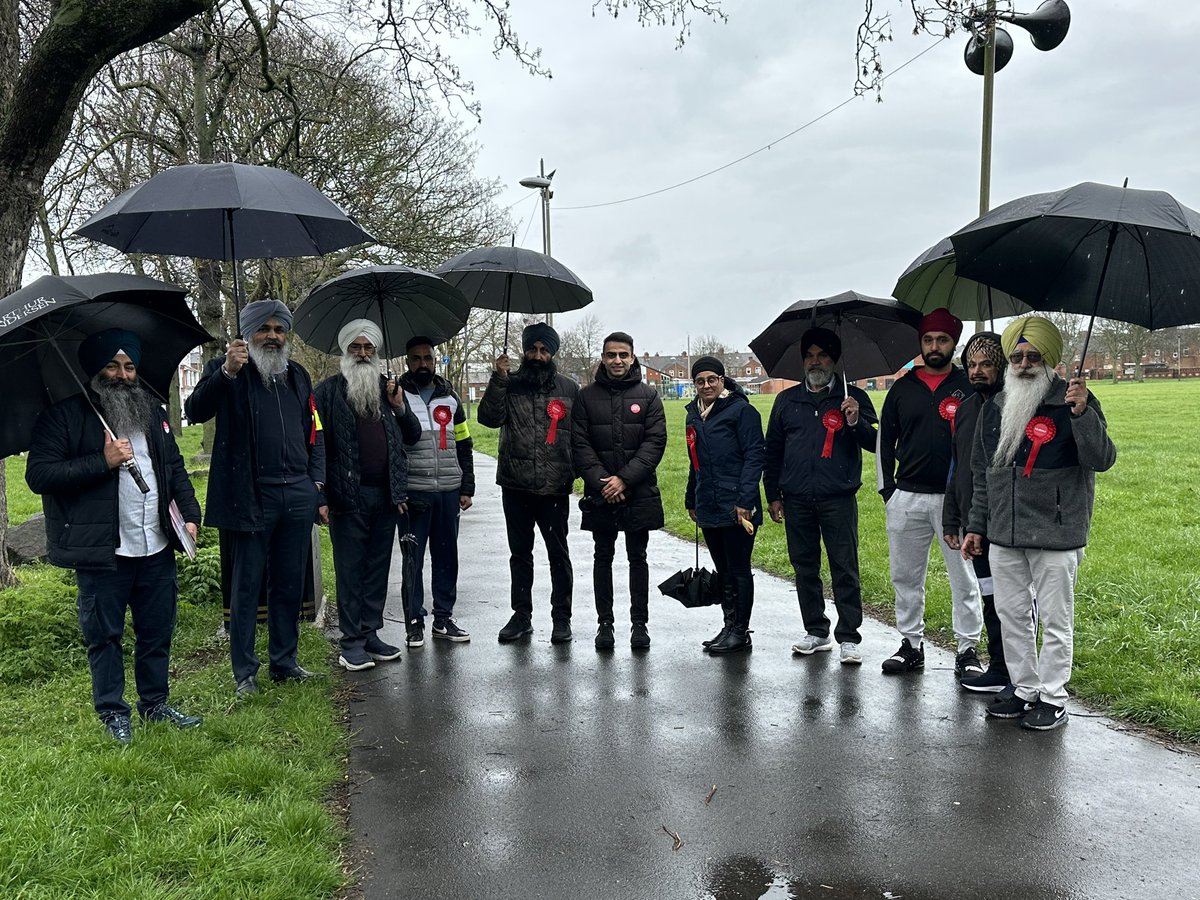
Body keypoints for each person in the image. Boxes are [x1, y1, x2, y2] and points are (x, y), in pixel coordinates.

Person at [26, 328, 203, 744]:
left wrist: (190, 516)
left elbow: (174, 469)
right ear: (95, 370)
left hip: (156, 544)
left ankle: (155, 704)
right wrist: (101, 460)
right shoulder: (64, 416)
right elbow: (39, 475)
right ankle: (112, 712)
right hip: (104, 551)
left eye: (129, 366)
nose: (122, 375)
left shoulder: (152, 412)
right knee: (104, 636)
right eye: (112, 365)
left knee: (157, 631)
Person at [963, 316, 1116, 730]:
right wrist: (977, 525)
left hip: (1056, 533)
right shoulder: (996, 406)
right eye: (1017, 356)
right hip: (1004, 533)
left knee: (1054, 618)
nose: (1024, 363)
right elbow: (983, 473)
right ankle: (1024, 687)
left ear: (1049, 359)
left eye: (1033, 356)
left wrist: (1082, 413)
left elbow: (1102, 458)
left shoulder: (1075, 399)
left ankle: (1052, 696)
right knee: (1012, 615)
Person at [185, 299, 326, 697]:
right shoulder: (228, 370)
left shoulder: (298, 375)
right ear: (247, 333)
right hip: (250, 496)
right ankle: (245, 672)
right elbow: (195, 410)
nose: (272, 336)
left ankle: (285, 662)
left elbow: (315, 433)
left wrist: (315, 484)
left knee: (288, 584)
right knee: (246, 587)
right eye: (263, 329)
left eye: (279, 329)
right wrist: (227, 371)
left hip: (296, 493)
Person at [876, 307, 983, 676]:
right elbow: (883, 440)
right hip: (907, 497)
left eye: (942, 340)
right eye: (928, 340)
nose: (934, 346)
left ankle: (968, 649)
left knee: (964, 577)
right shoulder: (902, 388)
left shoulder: (969, 385)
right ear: (920, 344)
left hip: (958, 502)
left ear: (954, 343)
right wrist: (887, 490)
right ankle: (910, 644)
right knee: (905, 576)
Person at [763, 328, 877, 665]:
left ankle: (849, 636)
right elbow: (773, 450)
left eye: (823, 355)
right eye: (810, 355)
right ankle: (816, 630)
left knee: (845, 566)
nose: (816, 361)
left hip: (837, 498)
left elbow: (874, 444)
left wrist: (855, 420)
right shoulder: (787, 400)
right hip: (796, 498)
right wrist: (773, 494)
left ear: (834, 360)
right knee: (805, 567)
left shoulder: (852, 397)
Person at [314, 320, 410, 672]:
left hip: (385, 495)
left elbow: (411, 434)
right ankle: (351, 641)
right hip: (346, 496)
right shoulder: (326, 393)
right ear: (345, 351)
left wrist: (399, 406)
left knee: (377, 568)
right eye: (356, 347)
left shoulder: (389, 390)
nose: (363, 353)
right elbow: (316, 446)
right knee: (351, 569)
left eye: (369, 348)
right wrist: (320, 495)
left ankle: (371, 633)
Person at [478, 322, 579, 644]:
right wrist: (498, 379)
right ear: (524, 351)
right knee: (520, 554)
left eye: (544, 350)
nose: (537, 355)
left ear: (553, 353)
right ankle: (521, 616)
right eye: (532, 349)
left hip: (554, 486)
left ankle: (561, 618)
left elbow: (580, 436)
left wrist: (576, 473)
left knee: (558, 554)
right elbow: (488, 419)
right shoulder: (510, 384)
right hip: (516, 484)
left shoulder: (568, 388)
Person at [571, 331, 667, 651]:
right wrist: (604, 481)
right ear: (602, 357)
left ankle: (639, 624)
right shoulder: (585, 397)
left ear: (632, 357)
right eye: (611, 355)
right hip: (601, 493)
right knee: (603, 557)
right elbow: (580, 444)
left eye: (623, 355)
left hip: (638, 491)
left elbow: (654, 444)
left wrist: (624, 479)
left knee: (637, 557)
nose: (617, 361)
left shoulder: (649, 396)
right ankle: (605, 624)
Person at [942, 331, 1012, 693]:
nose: (977, 371)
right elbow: (958, 467)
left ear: (1002, 365)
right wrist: (952, 517)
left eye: (986, 364)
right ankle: (999, 668)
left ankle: (1021, 676)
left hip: (1009, 525)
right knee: (989, 598)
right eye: (971, 364)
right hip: (974, 523)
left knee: (1013, 606)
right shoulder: (966, 409)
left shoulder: (1015, 405)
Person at [396, 335, 475, 647]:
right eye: (416, 358)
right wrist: (398, 491)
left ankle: (443, 619)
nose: (423, 364)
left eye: (428, 358)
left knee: (446, 557)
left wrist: (466, 485)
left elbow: (465, 443)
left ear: (435, 359)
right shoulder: (396, 396)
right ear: (407, 362)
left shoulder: (450, 396)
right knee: (412, 560)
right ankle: (414, 622)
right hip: (415, 492)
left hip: (448, 490)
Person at [685, 356, 765, 655]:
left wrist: (744, 501)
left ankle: (741, 631)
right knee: (723, 570)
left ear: (723, 381)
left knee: (739, 569)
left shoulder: (742, 411)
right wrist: (691, 497)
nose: (706, 385)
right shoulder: (693, 414)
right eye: (700, 381)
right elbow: (695, 462)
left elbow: (755, 456)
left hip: (738, 506)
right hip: (709, 504)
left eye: (711, 379)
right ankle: (729, 625)